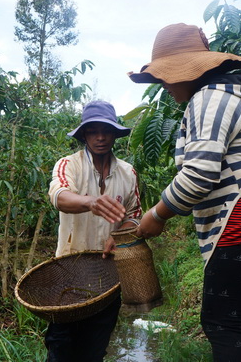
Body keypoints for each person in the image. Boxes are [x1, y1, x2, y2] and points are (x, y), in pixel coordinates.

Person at [127, 23, 241, 361]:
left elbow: (199, 174)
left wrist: (157, 215)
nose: (164, 85)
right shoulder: (223, 95)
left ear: (188, 71)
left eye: (166, 75)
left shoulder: (209, 100)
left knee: (221, 324)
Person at [46, 100, 142, 362]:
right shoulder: (69, 165)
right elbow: (59, 196)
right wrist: (90, 201)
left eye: (106, 131)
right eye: (93, 131)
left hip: (107, 275)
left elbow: (134, 216)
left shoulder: (127, 173)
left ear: (114, 134)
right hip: (68, 271)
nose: (100, 137)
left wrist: (117, 236)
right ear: (84, 135)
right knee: (60, 346)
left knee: (95, 348)